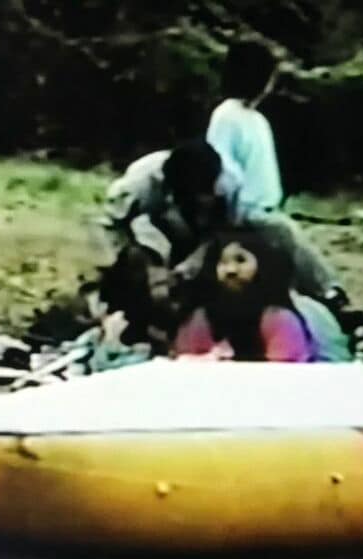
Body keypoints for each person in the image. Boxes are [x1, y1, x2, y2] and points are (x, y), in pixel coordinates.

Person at [104, 140, 340, 303]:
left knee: (279, 228)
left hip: (216, 231)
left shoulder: (230, 183)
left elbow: (225, 234)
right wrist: (134, 263)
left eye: (207, 195)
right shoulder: (139, 184)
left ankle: (329, 292)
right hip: (168, 226)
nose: (202, 202)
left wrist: (194, 263)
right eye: (196, 197)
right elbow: (111, 225)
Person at [175, 230, 345, 363]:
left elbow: (286, 376)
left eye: (240, 260)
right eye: (223, 263)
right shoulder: (201, 318)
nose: (231, 270)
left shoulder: (280, 318)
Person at [206, 40, 283, 215]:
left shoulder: (257, 119)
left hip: (267, 209)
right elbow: (222, 170)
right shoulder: (226, 116)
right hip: (248, 212)